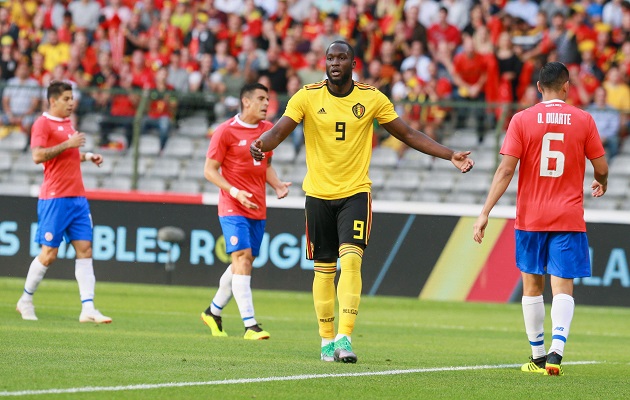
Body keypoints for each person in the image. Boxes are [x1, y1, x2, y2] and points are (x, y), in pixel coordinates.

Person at [250, 41, 474, 363]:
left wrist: (448, 153)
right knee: (324, 271)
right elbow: (280, 130)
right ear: (324, 63)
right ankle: (326, 341)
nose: (335, 63)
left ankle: (344, 336)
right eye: (330, 58)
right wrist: (261, 144)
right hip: (317, 194)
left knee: (352, 261)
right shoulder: (307, 95)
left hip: (355, 192)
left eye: (341, 58)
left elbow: (408, 134)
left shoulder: (370, 98)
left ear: (353, 63)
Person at [472, 62, 608, 376]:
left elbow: (506, 170)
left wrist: (484, 213)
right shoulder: (584, 120)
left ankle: (536, 357)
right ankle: (557, 351)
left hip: (531, 216)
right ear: (567, 87)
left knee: (532, 285)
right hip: (567, 216)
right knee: (562, 287)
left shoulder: (521, 120)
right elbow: (600, 166)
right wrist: (603, 181)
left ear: (538, 87)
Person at [16, 81, 112, 324]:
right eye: (67, 98)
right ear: (53, 101)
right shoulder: (42, 123)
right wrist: (67, 144)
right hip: (55, 198)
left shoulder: (68, 123)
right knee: (49, 254)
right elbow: (38, 155)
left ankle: (88, 308)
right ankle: (25, 299)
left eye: (72, 98)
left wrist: (87, 156)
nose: (72, 103)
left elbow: (67, 155)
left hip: (77, 198)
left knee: (85, 250)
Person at [201, 82, 291, 340]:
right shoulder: (225, 131)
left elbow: (265, 166)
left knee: (245, 261)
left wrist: (277, 185)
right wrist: (234, 191)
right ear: (246, 101)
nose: (266, 104)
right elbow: (209, 170)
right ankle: (250, 325)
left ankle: (213, 311)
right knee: (241, 256)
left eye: (268, 99)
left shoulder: (267, 131)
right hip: (232, 205)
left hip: (257, 206)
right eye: (262, 98)